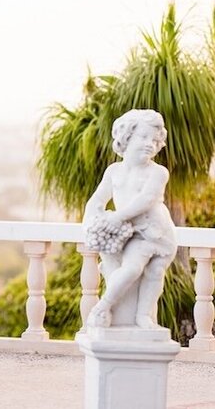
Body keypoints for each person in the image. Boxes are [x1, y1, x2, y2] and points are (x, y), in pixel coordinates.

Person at [83, 109, 178, 329]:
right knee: (133, 269)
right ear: (126, 137)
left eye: (155, 140)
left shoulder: (158, 172)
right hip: (135, 232)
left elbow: (147, 199)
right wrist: (92, 221)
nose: (149, 144)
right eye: (143, 137)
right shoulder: (114, 171)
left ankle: (143, 316)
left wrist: (117, 217)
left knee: (155, 273)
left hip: (158, 232)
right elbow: (97, 199)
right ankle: (103, 306)